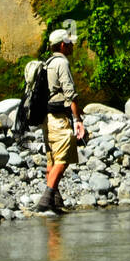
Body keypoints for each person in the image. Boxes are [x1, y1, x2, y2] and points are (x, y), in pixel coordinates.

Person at [36, 29, 85, 214]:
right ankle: (46, 199)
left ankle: (55, 200)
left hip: (46, 119)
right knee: (62, 159)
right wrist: (78, 119)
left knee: (52, 157)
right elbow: (70, 93)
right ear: (63, 45)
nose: (73, 45)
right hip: (58, 118)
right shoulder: (61, 63)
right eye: (70, 42)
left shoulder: (46, 63)